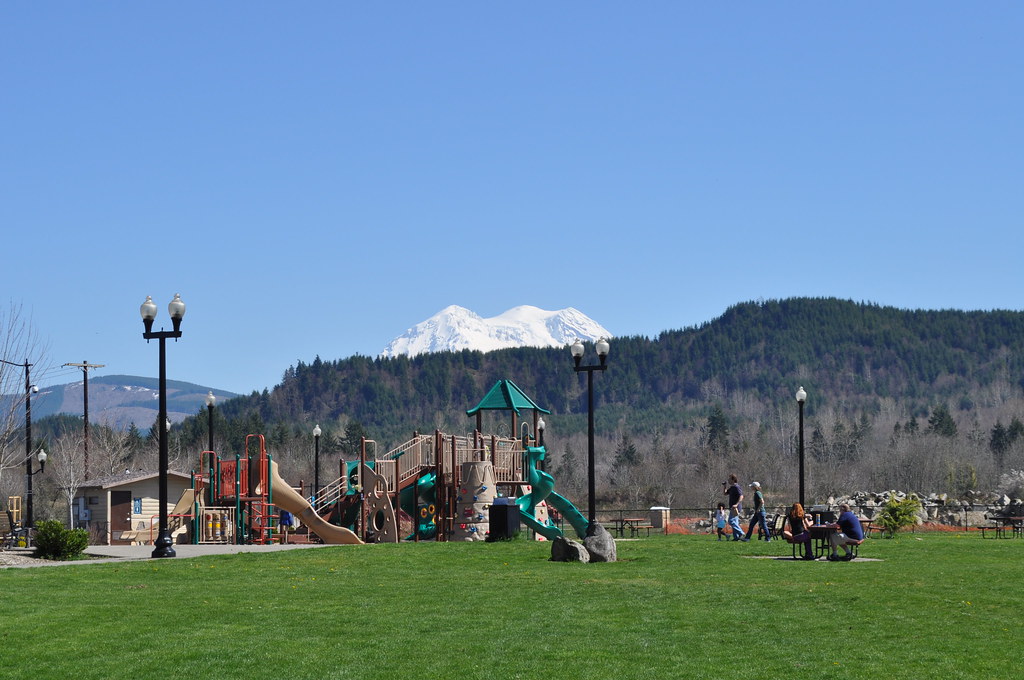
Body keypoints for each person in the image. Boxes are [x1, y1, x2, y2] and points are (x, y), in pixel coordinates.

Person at [722, 474, 745, 541]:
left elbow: (741, 496)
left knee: (731, 521)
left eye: (729, 479)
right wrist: (725, 486)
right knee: (735, 522)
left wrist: (736, 504)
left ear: (733, 480)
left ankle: (741, 533)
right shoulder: (732, 487)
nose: (728, 480)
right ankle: (736, 537)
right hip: (732, 507)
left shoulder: (737, 487)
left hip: (736, 508)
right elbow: (725, 493)